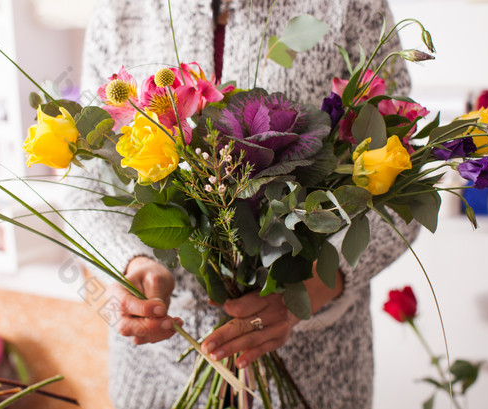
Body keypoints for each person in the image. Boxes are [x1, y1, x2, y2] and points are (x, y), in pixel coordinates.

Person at [73, 0, 420, 407]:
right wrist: (132, 264)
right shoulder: (118, 10)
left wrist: (309, 289)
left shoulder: (351, 6)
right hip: (161, 372)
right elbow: (86, 186)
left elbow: (402, 180)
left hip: (314, 370)